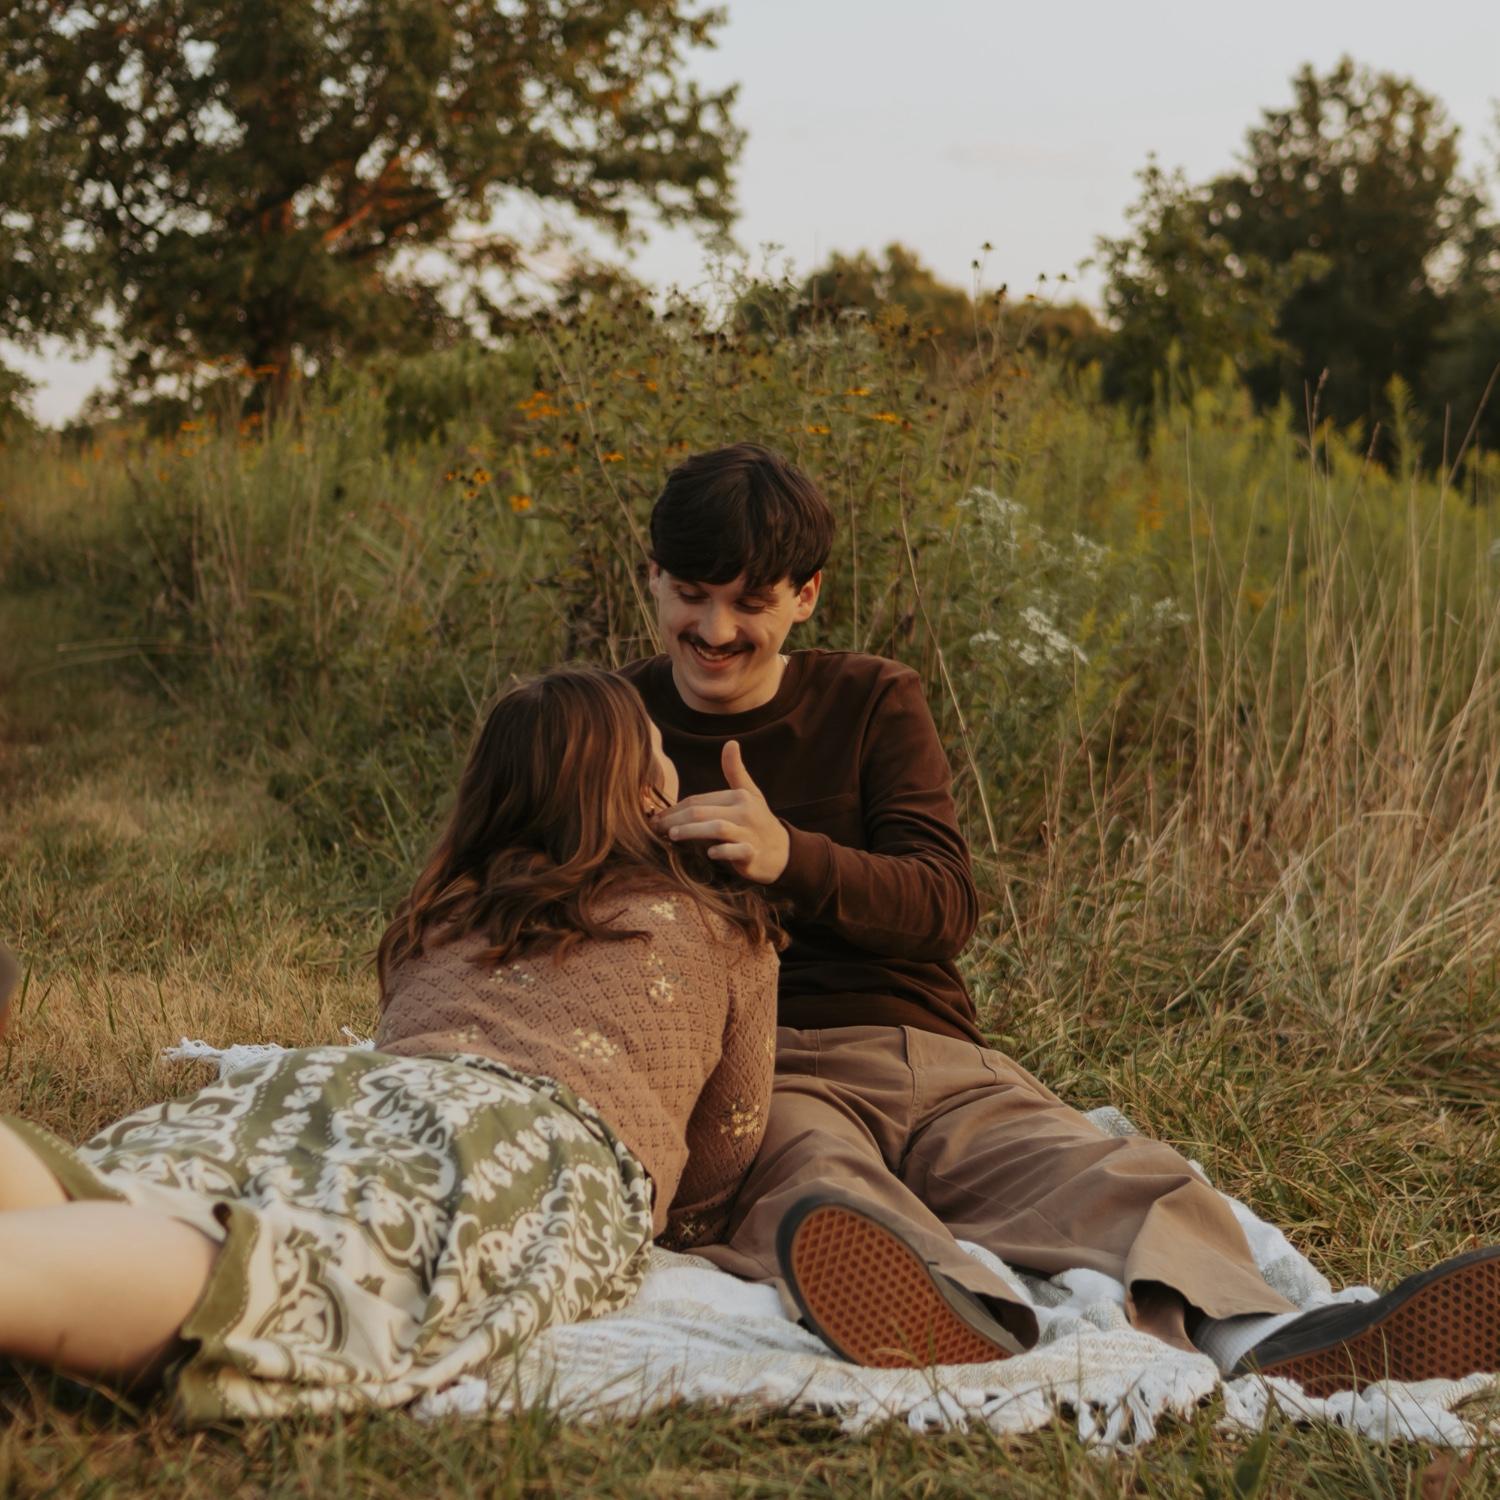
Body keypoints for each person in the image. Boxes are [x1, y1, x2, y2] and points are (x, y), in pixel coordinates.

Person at [622, 442, 1500, 1397]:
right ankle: (955, 1317)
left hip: (928, 1058)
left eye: (750, 603)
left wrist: (791, 857)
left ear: (807, 596)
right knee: (815, 1185)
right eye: (693, 595)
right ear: (653, 578)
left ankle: (1272, 1336)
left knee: (1119, 1176)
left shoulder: (873, 699)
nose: (715, 629)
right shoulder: (611, 725)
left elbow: (943, 904)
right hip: (763, 1067)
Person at [0, 667, 780, 1422]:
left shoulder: (445, 911)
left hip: (344, 1084)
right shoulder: (717, 926)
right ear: (643, 793)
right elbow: (721, 1161)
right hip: (523, 1141)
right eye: (660, 751)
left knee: (154, 1178)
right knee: (297, 1269)